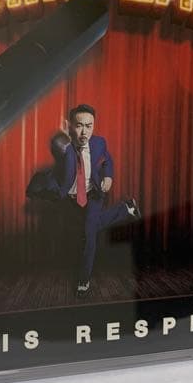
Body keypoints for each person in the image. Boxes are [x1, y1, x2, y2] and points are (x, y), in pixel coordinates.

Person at [58, 104, 140, 295]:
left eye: (89, 126)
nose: (84, 132)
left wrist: (108, 176)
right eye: (79, 126)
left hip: (94, 194)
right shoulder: (65, 147)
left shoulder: (99, 142)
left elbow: (107, 161)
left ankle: (83, 280)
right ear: (71, 125)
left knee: (89, 235)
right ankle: (126, 208)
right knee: (87, 229)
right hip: (72, 200)